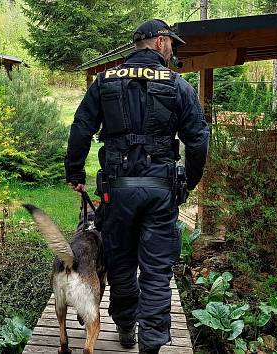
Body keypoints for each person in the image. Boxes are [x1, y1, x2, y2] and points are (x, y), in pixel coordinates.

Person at [64, 19, 210, 354]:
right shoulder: (178, 85)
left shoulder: (104, 82)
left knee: (121, 264)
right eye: (171, 43)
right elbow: (199, 140)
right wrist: (189, 181)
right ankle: (151, 345)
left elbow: (81, 127)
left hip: (117, 191)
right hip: (160, 191)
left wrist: (74, 172)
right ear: (159, 42)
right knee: (157, 272)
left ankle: (126, 327)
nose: (173, 49)